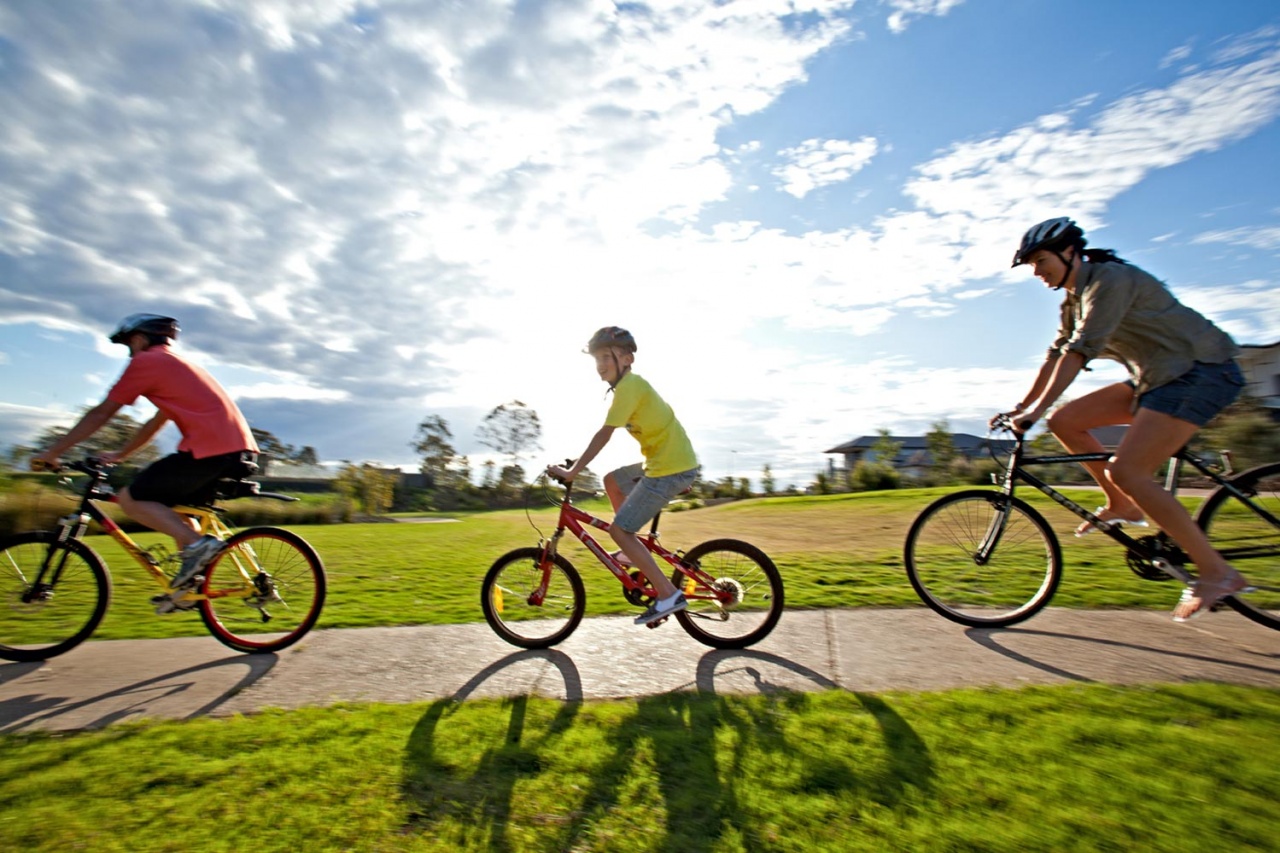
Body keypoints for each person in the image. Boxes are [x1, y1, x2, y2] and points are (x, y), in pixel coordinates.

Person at [992, 217, 1249, 622]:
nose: (1037, 271)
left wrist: (1032, 414)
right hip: (1156, 378)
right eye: (1032, 266)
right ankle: (1121, 504)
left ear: (1070, 252)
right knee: (1065, 421)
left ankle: (1217, 572)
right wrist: (1022, 408)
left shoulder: (1110, 281)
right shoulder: (1072, 301)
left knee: (1128, 470)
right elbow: (1057, 354)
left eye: (1041, 261)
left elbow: (1081, 352)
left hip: (1201, 371)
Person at [32, 314, 260, 591]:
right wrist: (121, 454)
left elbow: (102, 412)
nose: (129, 354)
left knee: (131, 498)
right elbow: (157, 421)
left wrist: (53, 451)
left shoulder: (147, 362)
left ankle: (199, 546)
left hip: (211, 451)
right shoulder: (176, 365)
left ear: (139, 339)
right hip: (235, 452)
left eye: (128, 346)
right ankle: (191, 583)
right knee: (176, 511)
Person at [547, 326, 701, 626]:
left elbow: (604, 435)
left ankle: (668, 594)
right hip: (666, 463)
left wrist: (572, 471)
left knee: (619, 531)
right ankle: (633, 552)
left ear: (627, 359)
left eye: (606, 356)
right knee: (612, 481)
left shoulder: (631, 385)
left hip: (669, 467)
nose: (600, 364)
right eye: (596, 359)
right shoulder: (627, 388)